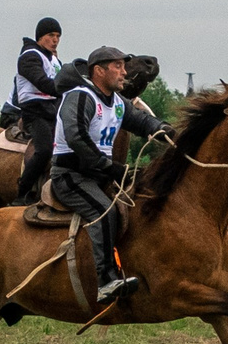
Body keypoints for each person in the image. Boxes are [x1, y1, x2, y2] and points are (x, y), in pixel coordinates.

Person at [39, 45, 163, 303]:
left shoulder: (118, 102)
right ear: (98, 71)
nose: (124, 72)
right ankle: (106, 281)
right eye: (117, 66)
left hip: (99, 176)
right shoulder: (80, 96)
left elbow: (140, 121)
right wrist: (109, 168)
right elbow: (76, 137)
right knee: (104, 213)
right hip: (71, 175)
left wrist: (163, 129)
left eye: (123, 66)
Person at [10, 17, 66, 202]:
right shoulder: (29, 56)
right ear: (41, 37)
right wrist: (65, 87)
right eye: (51, 35)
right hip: (34, 112)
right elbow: (42, 83)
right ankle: (22, 193)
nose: (55, 39)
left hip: (54, 111)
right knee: (44, 151)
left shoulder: (55, 60)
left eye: (58, 36)